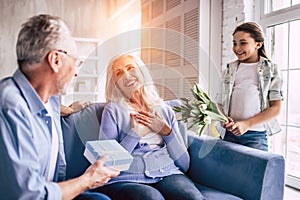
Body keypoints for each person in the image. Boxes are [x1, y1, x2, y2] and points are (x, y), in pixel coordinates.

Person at [0, 14, 119, 199]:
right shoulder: (9, 107)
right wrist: (87, 180)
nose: (77, 72)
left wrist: (72, 109)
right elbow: (28, 195)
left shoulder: (51, 101)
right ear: (56, 60)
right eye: (77, 62)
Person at [95, 54, 204, 200]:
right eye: (119, 73)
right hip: (127, 179)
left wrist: (167, 132)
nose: (127, 76)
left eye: (130, 68)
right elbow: (107, 164)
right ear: (115, 83)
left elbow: (184, 164)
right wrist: (135, 134)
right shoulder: (113, 110)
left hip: (168, 174)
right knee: (151, 197)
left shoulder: (164, 110)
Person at [217, 22, 283, 151]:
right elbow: (219, 103)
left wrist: (246, 124)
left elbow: (276, 108)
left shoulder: (271, 70)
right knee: (228, 171)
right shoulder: (229, 70)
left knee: (255, 171)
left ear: (258, 44)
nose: (237, 48)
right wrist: (223, 118)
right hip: (229, 134)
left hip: (255, 136)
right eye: (234, 43)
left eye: (243, 43)